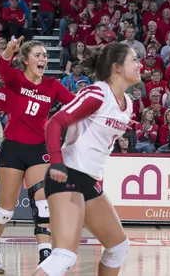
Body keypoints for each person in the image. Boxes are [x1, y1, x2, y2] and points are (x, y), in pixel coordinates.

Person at [33, 42, 139, 276]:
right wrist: (57, 162)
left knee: (118, 247)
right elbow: (54, 123)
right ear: (117, 68)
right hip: (68, 173)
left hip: (89, 181)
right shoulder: (96, 92)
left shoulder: (128, 104)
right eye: (134, 59)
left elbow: (101, 125)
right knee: (63, 256)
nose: (140, 64)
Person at [0, 36, 75, 273]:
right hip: (13, 148)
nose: (43, 59)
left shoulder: (53, 85)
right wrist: (8, 51)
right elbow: (0, 67)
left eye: (45, 55)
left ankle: (45, 256)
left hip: (39, 149)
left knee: (43, 204)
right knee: (5, 211)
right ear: (25, 60)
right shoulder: (15, 79)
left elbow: (75, 104)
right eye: (38, 55)